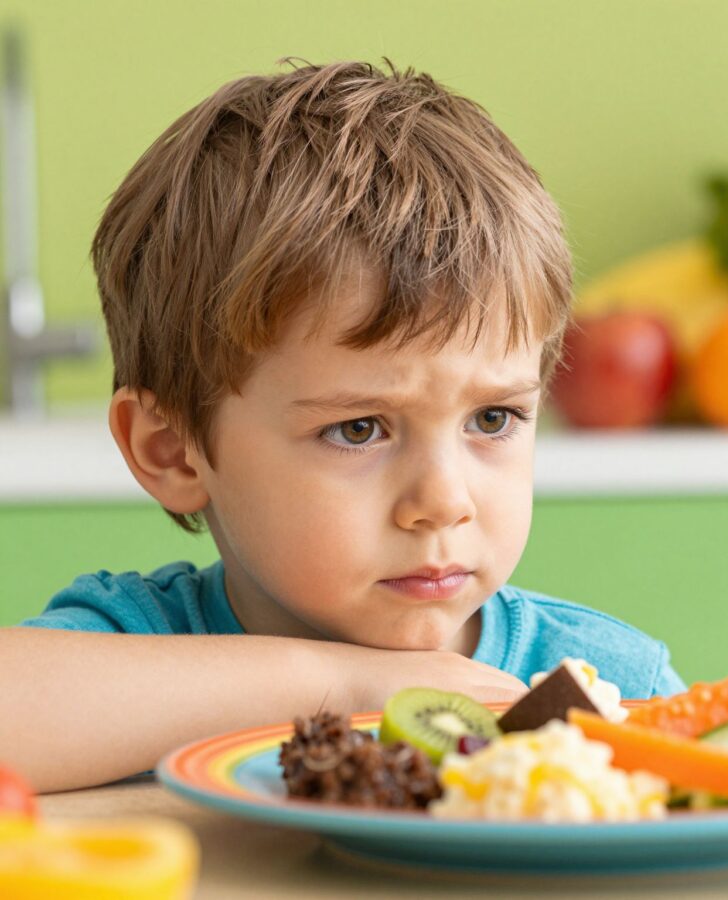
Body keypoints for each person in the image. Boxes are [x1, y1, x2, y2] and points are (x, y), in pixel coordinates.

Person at [0, 60, 684, 793]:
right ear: (173, 451)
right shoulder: (140, 643)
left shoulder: (613, 679)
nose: (444, 500)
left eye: (494, 418)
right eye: (359, 429)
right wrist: (341, 683)